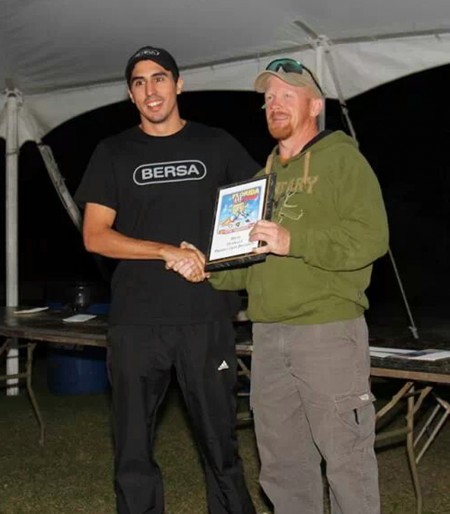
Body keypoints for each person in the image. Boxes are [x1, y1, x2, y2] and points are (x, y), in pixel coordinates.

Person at [178, 58, 389, 514]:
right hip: (268, 337)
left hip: (327, 332)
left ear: (314, 104)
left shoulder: (343, 161)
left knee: (346, 460)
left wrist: (294, 240)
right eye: (268, 98)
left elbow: (371, 238)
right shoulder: (259, 182)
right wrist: (206, 267)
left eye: (285, 95)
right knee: (282, 466)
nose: (274, 104)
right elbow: (242, 268)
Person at [75, 46, 259, 514]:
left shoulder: (216, 144)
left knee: (221, 446)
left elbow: (252, 216)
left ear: (179, 84)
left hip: (205, 317)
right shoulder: (113, 152)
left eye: (159, 78)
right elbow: (95, 236)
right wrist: (164, 250)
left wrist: (210, 259)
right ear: (131, 95)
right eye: (139, 82)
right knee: (133, 450)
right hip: (137, 322)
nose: (150, 89)